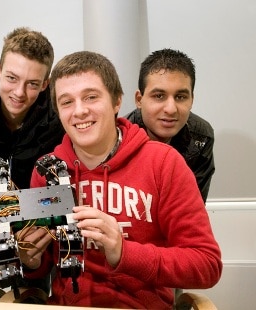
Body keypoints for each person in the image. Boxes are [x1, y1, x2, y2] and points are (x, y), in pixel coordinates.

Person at [19, 51, 222, 309]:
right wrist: (31, 260)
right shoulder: (46, 170)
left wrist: (123, 252)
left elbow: (206, 264)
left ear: (117, 101)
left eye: (91, 97)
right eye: (67, 102)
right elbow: (39, 268)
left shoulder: (164, 164)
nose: (79, 111)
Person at [0, 27, 65, 190]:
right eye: (12, 78)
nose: (19, 92)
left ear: (45, 84)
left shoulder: (61, 120)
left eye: (32, 84)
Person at [125, 48, 215, 203]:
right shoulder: (119, 136)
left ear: (192, 100)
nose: (171, 109)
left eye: (180, 97)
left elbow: (193, 210)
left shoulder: (201, 136)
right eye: (159, 96)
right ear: (139, 100)